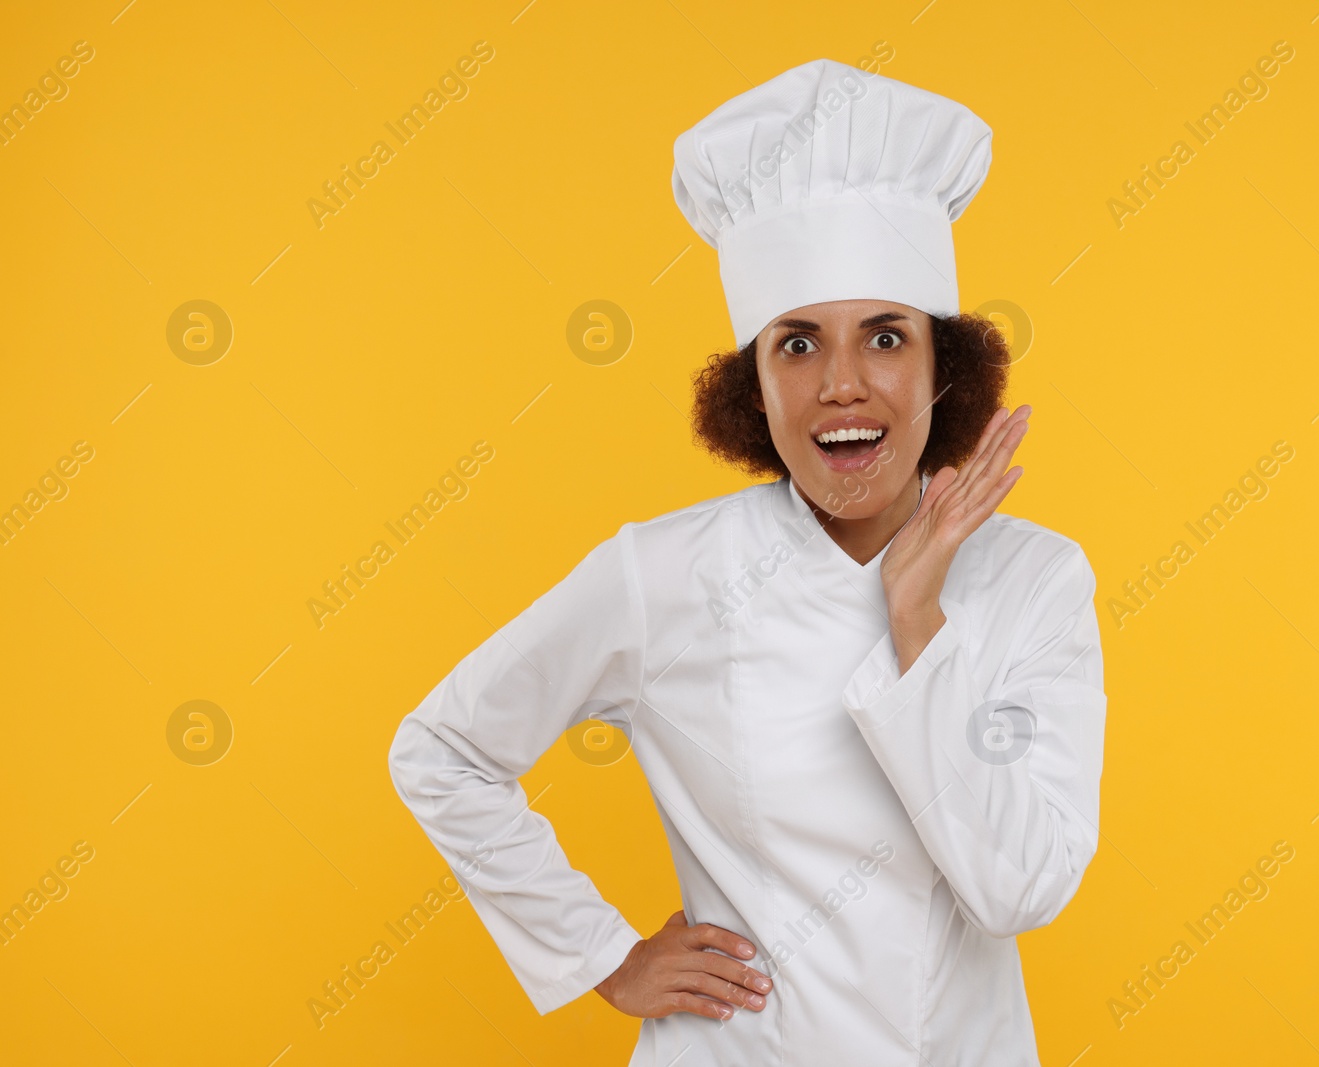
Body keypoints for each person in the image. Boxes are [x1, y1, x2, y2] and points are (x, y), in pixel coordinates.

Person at [388, 57, 1108, 1066]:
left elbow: (1020, 888)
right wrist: (600, 952)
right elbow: (443, 750)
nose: (844, 384)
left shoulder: (1036, 577)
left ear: (943, 367)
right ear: (753, 387)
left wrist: (917, 622)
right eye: (798, 344)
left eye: (886, 337)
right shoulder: (666, 572)